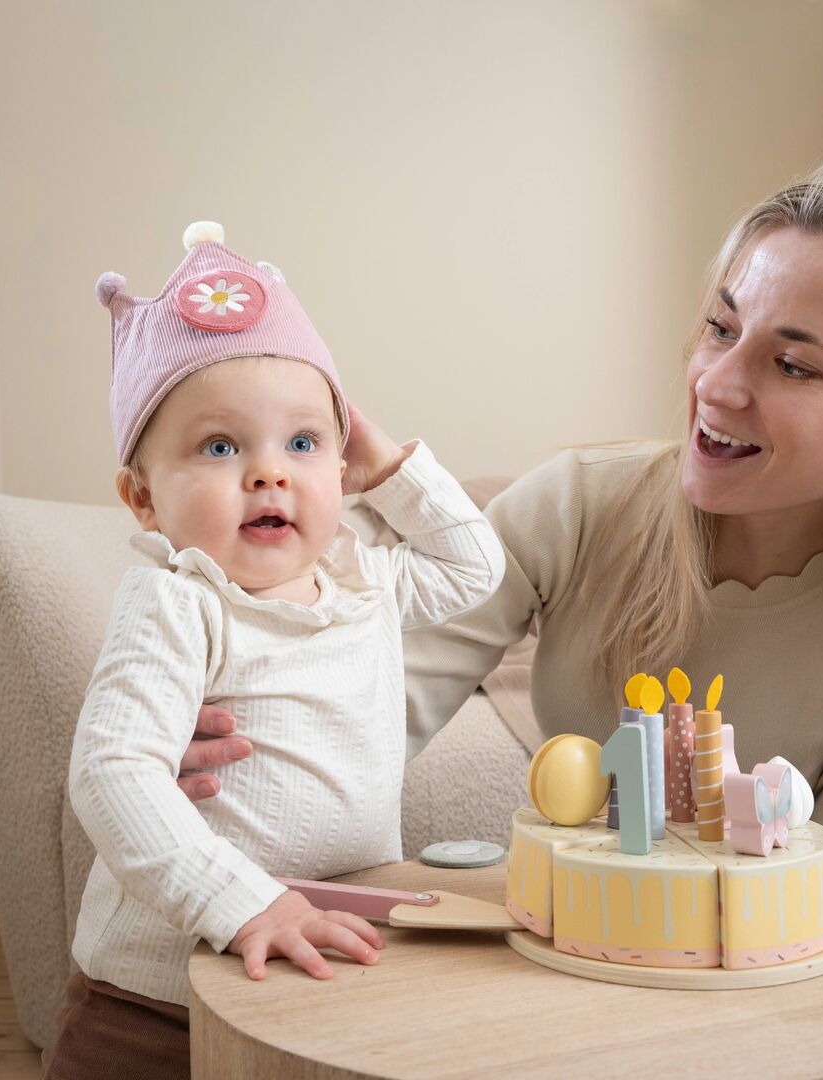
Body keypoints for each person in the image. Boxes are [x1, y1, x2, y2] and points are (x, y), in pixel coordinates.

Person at [184, 154, 823, 928]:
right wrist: (246, 754)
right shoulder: (577, 503)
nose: (715, 383)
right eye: (721, 327)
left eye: (792, 365)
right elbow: (366, 712)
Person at [42, 222, 505, 1080]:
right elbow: (112, 771)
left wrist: (390, 465)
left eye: (303, 443)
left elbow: (473, 565)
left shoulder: (364, 585)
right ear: (142, 499)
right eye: (221, 447)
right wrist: (241, 901)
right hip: (156, 1001)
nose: (270, 473)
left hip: (315, 964)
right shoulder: (179, 600)